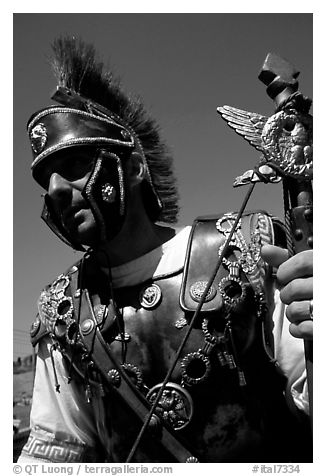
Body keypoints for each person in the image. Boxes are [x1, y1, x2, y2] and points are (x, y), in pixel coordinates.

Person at [18, 37, 312, 463]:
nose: (56, 189)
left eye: (76, 163)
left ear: (134, 167)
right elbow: (54, 453)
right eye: (45, 179)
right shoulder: (61, 311)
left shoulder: (245, 251)